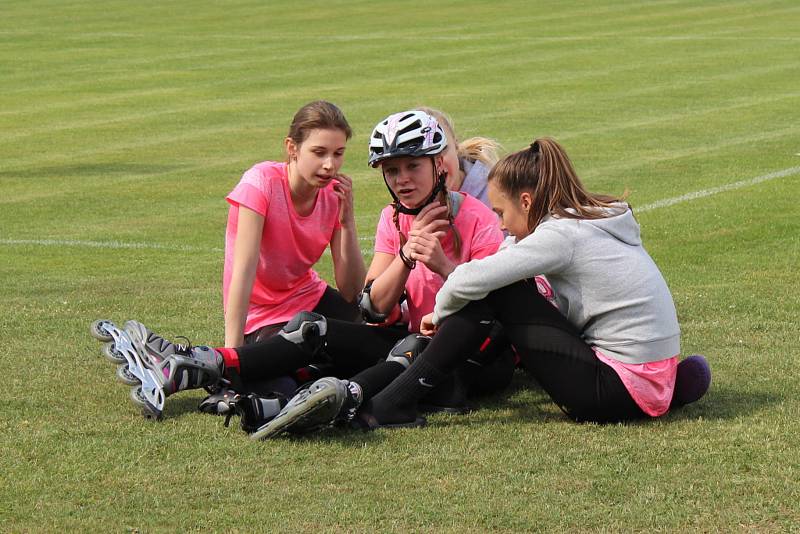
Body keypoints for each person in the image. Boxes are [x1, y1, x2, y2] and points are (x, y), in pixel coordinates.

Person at [266, 137, 712, 435]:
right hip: (646, 380)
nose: (501, 225)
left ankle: (393, 404)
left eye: (501, 213)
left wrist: (438, 314)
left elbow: (478, 277)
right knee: (510, 289)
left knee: (498, 288)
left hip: (611, 391)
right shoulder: (592, 220)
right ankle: (676, 386)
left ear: (527, 201)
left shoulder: (558, 235)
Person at [117, 110, 512, 426]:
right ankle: (201, 363)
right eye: (392, 171)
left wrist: (443, 264)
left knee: (403, 348)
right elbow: (373, 308)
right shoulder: (393, 219)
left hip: (462, 360)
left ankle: (313, 400)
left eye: (413, 167)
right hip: (402, 343)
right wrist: (406, 258)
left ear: (439, 166)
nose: (403, 179)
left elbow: (489, 313)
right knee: (314, 329)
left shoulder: (478, 218)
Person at [223, 100, 365, 348]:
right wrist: (232, 358)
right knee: (289, 371)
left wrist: (348, 222)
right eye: (319, 153)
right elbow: (242, 274)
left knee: (376, 327)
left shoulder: (334, 194)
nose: (330, 165)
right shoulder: (261, 184)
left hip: (307, 297)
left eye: (338, 153)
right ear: (292, 148)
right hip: (261, 314)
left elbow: (352, 292)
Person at [418, 107, 501, 207]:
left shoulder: (496, 193)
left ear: (456, 145)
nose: (434, 164)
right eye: (420, 157)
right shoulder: (406, 206)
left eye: (441, 149)